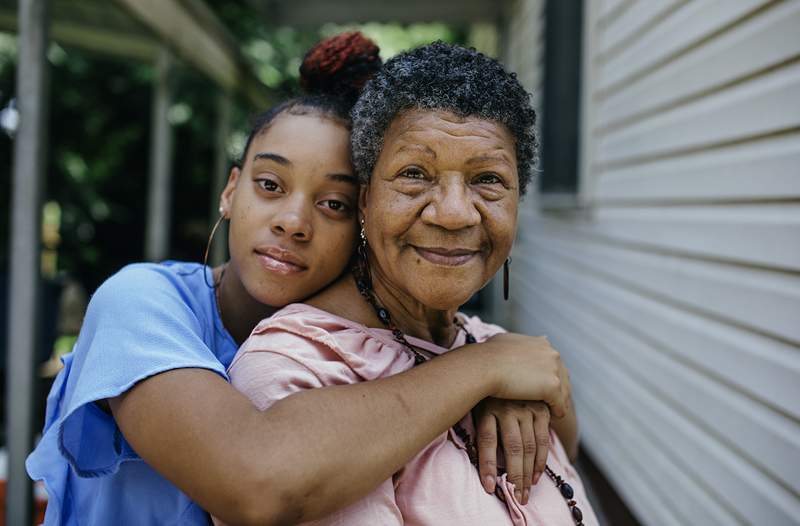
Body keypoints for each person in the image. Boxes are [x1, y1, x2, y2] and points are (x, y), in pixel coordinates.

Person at [26, 34, 574, 526]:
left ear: (364, 217)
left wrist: (506, 386)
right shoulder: (142, 302)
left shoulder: (373, 342)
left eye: (332, 203)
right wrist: (484, 369)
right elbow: (253, 479)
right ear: (229, 191)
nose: (292, 221)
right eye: (269, 184)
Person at [226, 42, 596, 525]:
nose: (454, 213)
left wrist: (510, 373)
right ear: (364, 202)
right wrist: (484, 369)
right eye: (414, 174)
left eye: (488, 179)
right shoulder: (296, 367)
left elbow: (566, 453)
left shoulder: (506, 356)